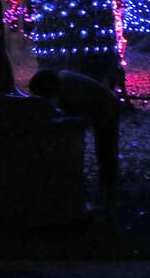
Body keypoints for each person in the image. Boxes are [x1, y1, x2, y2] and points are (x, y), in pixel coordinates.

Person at [29, 68, 123, 209]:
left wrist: (64, 122)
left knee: (105, 150)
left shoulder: (71, 90)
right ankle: (108, 188)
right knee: (104, 150)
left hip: (108, 107)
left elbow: (84, 116)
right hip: (104, 104)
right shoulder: (64, 80)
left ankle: (110, 190)